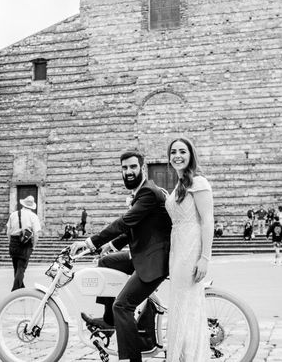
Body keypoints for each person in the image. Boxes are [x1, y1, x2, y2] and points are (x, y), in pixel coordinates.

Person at [71, 149, 172, 362]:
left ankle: (131, 359)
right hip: (144, 253)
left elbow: (125, 222)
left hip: (155, 260)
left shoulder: (147, 193)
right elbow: (134, 227)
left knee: (123, 305)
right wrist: (112, 246)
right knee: (106, 262)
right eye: (124, 168)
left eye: (133, 167)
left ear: (142, 168)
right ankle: (109, 321)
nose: (128, 171)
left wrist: (90, 242)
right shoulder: (142, 191)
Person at [160, 138, 214, 361]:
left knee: (187, 306)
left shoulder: (199, 182)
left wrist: (205, 258)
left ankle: (189, 356)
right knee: (181, 305)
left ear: (191, 154)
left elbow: (207, 220)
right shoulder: (180, 184)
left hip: (191, 249)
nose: (177, 156)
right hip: (177, 248)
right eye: (173, 152)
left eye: (183, 151)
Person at [5, 196, 42, 291]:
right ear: (32, 206)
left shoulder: (13, 214)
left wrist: (11, 242)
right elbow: (36, 234)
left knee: (16, 267)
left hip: (13, 241)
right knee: (21, 268)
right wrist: (34, 246)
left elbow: (8, 231)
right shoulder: (33, 216)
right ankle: (15, 290)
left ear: (23, 204)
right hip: (25, 244)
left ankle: (21, 288)